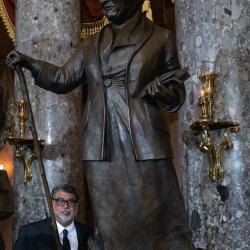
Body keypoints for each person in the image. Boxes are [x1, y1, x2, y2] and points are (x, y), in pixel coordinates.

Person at [6, 0, 195, 249]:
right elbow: (63, 78)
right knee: (110, 221)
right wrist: (30, 63)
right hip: (100, 141)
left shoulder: (160, 37)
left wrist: (164, 91)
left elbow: (176, 96)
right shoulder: (91, 44)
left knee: (156, 219)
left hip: (144, 140)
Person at [14, 184, 93, 250]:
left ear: (77, 206)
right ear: (51, 204)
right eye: (60, 201)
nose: (66, 206)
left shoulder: (89, 233)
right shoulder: (29, 233)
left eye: (71, 201)